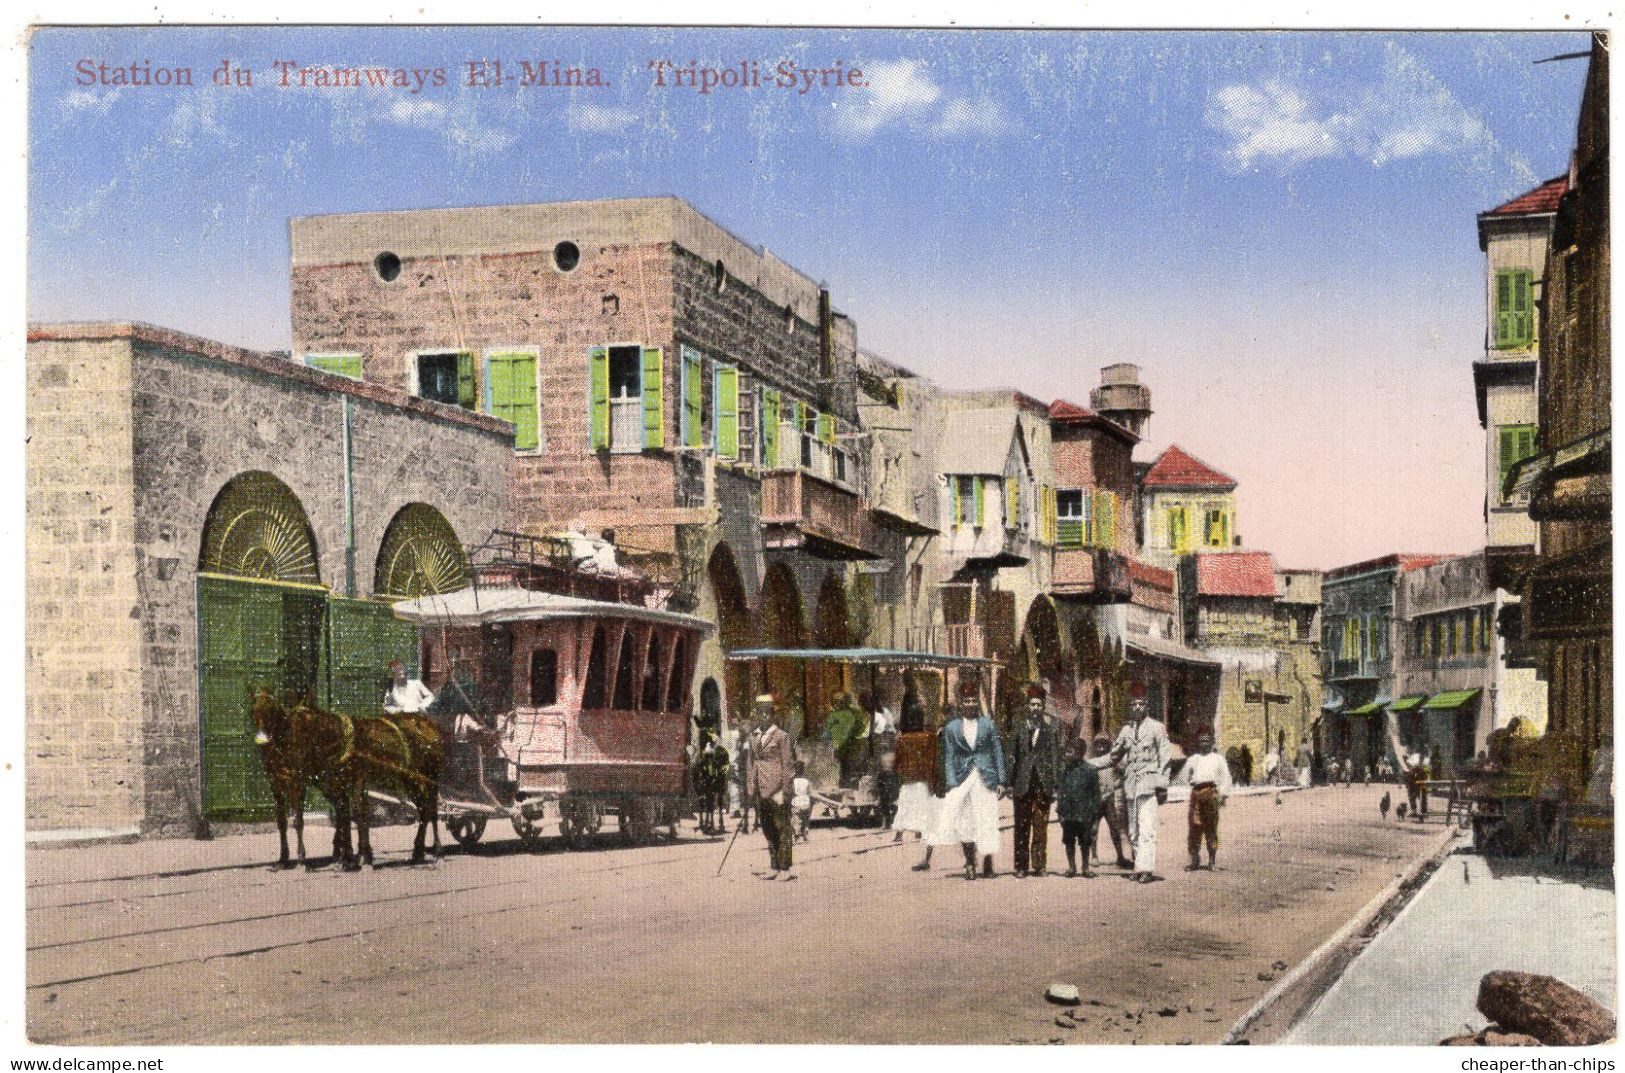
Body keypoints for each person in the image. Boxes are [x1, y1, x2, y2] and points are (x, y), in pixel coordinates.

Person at [928, 678, 1008, 880]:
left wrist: (1001, 780)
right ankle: (970, 863)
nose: (971, 704)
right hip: (962, 777)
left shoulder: (987, 724)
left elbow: (997, 751)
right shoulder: (952, 727)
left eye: (974, 700)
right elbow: (948, 756)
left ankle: (988, 863)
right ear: (961, 703)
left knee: (987, 819)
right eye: (967, 701)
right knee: (964, 821)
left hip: (985, 777)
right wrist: (950, 781)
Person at [1110, 683, 1170, 883]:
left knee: (1147, 827)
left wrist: (1162, 786)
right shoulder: (1126, 730)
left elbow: (1165, 757)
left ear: (1146, 706)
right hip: (1130, 786)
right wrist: (1090, 764)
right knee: (1133, 831)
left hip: (1148, 784)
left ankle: (1146, 869)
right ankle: (1139, 865)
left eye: (1140, 704)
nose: (1137, 708)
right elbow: (1113, 756)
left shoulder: (1156, 728)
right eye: (1133, 704)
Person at [1009, 683, 1062, 877]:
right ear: (1028, 706)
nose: (1035, 708)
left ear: (1043, 707)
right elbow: (1011, 756)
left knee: (1040, 826)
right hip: (1022, 784)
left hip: (1042, 784)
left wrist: (1055, 786)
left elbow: (1056, 759)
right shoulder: (1018, 728)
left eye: (1039, 705)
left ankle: (1039, 865)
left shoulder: (1050, 731)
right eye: (1032, 705)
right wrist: (1008, 782)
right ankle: (1021, 867)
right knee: (1021, 825)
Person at [747, 694, 795, 879]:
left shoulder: (782, 737)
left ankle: (785, 868)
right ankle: (774, 866)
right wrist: (750, 787)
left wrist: (785, 790)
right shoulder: (754, 736)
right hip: (761, 788)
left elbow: (788, 765)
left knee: (782, 828)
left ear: (773, 715)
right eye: (760, 713)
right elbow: (750, 764)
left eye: (767, 713)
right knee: (767, 828)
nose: (764, 716)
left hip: (777, 789)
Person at [1174, 728, 1231, 871]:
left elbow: (1226, 778)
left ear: (1211, 742)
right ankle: (1195, 860)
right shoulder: (1193, 759)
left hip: (1211, 792)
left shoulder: (1218, 759)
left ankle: (1212, 861)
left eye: (1206, 741)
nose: (1204, 744)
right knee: (1194, 827)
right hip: (1196, 794)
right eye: (1201, 741)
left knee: (1211, 828)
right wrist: (1191, 783)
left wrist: (1222, 794)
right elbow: (1183, 776)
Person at [1056, 738, 1102, 878]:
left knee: (1085, 841)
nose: (1070, 754)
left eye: (1073, 751)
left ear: (1081, 752)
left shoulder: (1090, 770)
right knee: (1069, 840)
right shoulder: (1065, 770)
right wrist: (1060, 811)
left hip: (1084, 813)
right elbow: (1061, 791)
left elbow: (1095, 794)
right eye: (1070, 750)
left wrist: (1094, 814)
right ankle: (1072, 867)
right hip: (1069, 813)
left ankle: (1085, 868)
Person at [1087, 733, 1133, 870]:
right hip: (1095, 800)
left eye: (1104, 745)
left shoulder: (1113, 761)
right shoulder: (1091, 762)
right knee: (1093, 829)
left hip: (1110, 800)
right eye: (1098, 745)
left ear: (1109, 746)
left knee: (1115, 829)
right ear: (1094, 747)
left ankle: (1120, 856)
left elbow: (1123, 774)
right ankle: (1093, 855)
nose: (1101, 748)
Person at [824, 691, 867, 788]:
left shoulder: (854, 714)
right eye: (835, 701)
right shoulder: (832, 715)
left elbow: (860, 728)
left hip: (850, 747)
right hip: (841, 747)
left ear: (847, 701)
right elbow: (826, 732)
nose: (837, 703)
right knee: (842, 770)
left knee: (848, 771)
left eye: (841, 701)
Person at [791, 762, 813, 843]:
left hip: (797, 803)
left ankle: (796, 834)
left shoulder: (793, 781)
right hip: (806, 803)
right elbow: (810, 792)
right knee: (806, 820)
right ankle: (805, 835)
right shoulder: (807, 781)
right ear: (803, 770)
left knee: (796, 820)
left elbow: (791, 792)